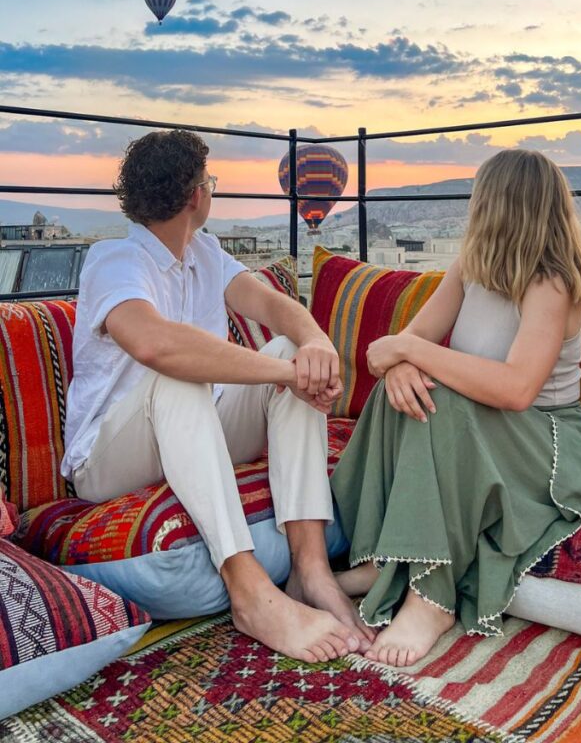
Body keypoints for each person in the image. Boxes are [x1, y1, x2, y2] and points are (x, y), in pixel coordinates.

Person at [61, 129, 374, 663]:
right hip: (109, 460)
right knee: (180, 375)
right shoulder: (115, 259)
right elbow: (156, 345)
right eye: (210, 182)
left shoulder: (205, 252)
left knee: (284, 351)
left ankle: (312, 570)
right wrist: (282, 375)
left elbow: (276, 308)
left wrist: (315, 344)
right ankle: (248, 589)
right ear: (195, 196)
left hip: (193, 434)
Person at [331, 149, 581, 667]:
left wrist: (414, 354)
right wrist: (401, 365)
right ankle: (387, 557)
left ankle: (431, 601)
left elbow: (516, 391)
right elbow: (386, 352)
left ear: (498, 204)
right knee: (405, 393)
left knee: (440, 401)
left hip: (553, 442)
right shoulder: (470, 266)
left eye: (478, 197)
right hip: (481, 430)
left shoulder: (550, 282)